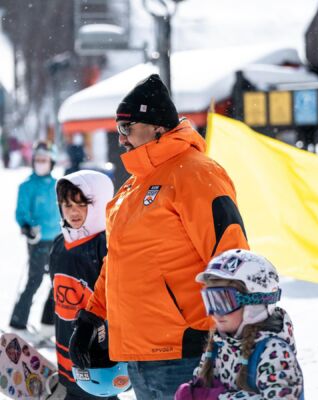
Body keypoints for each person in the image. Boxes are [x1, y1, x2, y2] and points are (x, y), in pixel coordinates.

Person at [68, 74, 249, 399]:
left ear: (157, 128)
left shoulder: (196, 173)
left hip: (188, 352)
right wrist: (92, 316)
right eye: (118, 128)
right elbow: (118, 261)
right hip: (138, 355)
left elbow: (230, 257)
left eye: (127, 128)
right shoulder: (132, 187)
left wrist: (237, 336)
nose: (121, 138)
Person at [175, 248, 304, 400]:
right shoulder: (218, 344)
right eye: (210, 301)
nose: (215, 313)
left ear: (254, 302)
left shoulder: (274, 353)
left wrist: (219, 398)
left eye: (223, 301)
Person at [48, 170, 116, 399]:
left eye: (81, 204)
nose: (73, 211)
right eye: (66, 205)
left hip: (98, 353)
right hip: (66, 349)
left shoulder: (104, 245)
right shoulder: (59, 243)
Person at [9, 140, 60, 342]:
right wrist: (27, 228)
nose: (41, 163)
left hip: (58, 238)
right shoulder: (27, 186)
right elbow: (21, 212)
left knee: (58, 281)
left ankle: (47, 324)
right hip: (38, 240)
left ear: (51, 162)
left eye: (44, 160)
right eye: (37, 160)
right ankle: (18, 323)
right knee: (35, 279)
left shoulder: (58, 184)